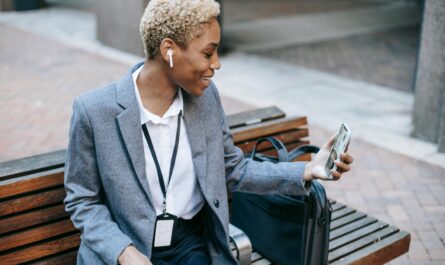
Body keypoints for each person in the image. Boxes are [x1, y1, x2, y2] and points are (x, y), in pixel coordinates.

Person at [63, 0, 353, 264]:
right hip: (127, 250)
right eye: (208, 52)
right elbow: (82, 200)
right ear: (169, 50)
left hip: (190, 243)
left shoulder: (205, 98)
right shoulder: (94, 111)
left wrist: (308, 170)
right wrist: (123, 253)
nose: (217, 64)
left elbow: (232, 168)